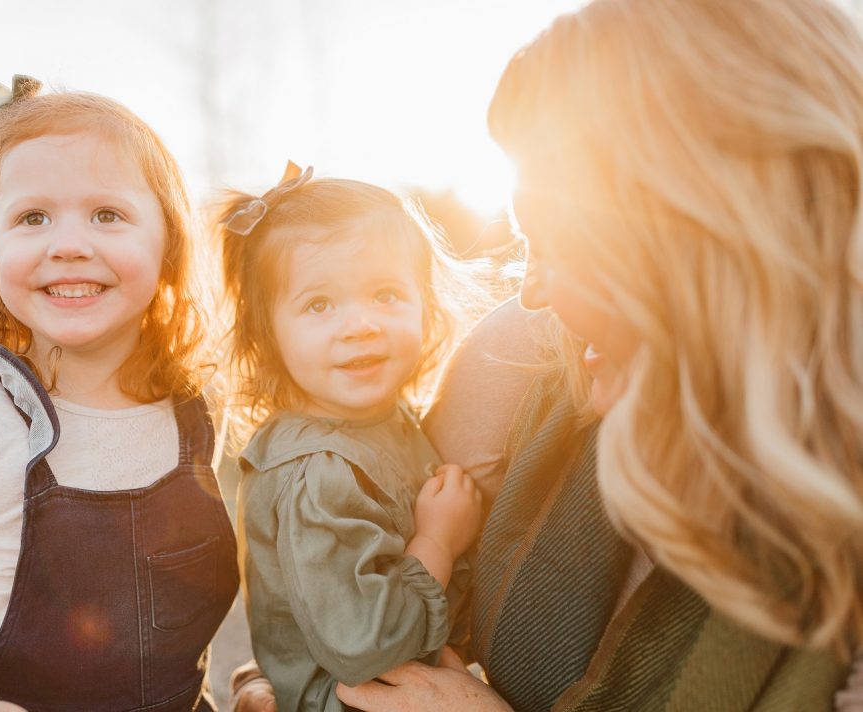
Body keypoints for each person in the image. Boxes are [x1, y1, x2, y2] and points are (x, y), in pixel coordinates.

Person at [335, 0, 863, 710]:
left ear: (700, 240)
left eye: (555, 244)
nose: (532, 292)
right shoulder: (528, 360)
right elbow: (348, 584)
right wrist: (274, 680)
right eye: (525, 247)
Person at [0, 75, 239, 712]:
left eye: (107, 214)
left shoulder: (193, 411)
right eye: (32, 217)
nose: (69, 245)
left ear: (169, 244)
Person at [216, 163, 487, 711]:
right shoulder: (318, 470)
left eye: (386, 294)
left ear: (425, 302)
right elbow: (365, 647)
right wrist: (437, 540)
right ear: (268, 335)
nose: (361, 324)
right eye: (319, 305)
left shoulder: (387, 419)